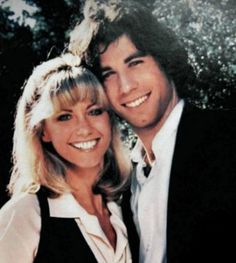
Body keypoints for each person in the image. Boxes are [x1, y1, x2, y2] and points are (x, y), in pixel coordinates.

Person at [68, 1, 236, 262]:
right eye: (109, 74)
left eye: (135, 63)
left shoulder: (226, 141)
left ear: (164, 59)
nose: (125, 87)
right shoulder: (121, 183)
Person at [0, 52, 138, 262]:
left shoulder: (129, 204)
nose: (84, 128)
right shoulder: (25, 214)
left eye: (94, 111)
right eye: (65, 116)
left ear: (109, 119)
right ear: (42, 131)